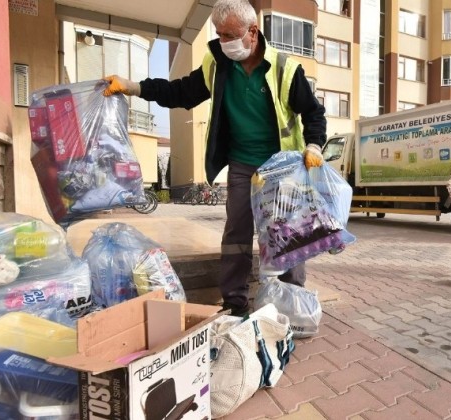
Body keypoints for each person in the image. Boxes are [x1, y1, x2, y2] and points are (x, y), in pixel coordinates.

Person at [103, 0, 327, 316]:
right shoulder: (217, 64)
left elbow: (313, 113)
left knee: (285, 232)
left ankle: (293, 302)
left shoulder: (284, 68)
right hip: (242, 164)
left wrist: (314, 145)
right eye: (219, 34)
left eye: (230, 35)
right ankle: (235, 302)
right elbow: (181, 92)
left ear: (253, 31)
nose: (224, 42)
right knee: (236, 233)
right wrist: (133, 87)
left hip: (281, 168)